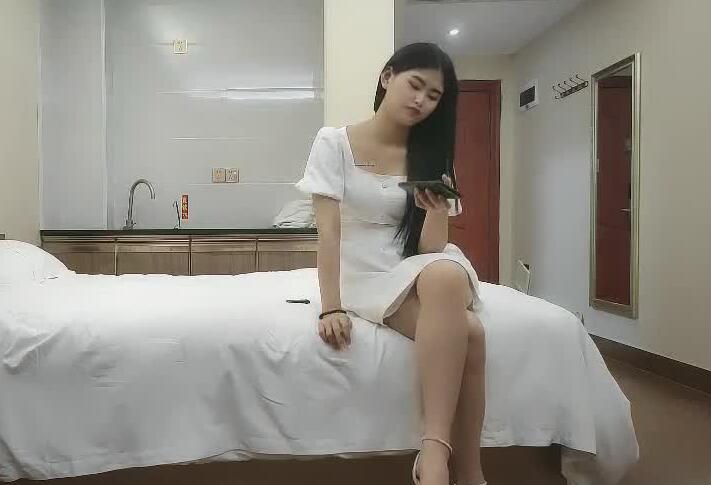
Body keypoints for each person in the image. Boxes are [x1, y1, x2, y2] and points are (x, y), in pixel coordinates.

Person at [295, 42, 486, 485]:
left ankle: (434, 452)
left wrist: (436, 210)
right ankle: (469, 471)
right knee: (472, 333)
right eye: (415, 85)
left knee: (445, 271)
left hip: (414, 263)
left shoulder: (432, 154)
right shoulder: (334, 143)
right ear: (387, 78)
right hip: (361, 268)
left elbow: (431, 249)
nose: (421, 101)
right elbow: (329, 234)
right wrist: (330, 306)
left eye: (433, 96)